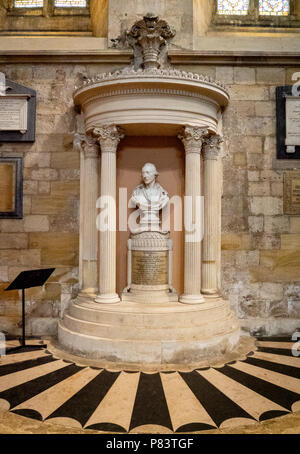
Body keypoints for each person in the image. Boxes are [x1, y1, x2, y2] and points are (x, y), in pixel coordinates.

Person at [129, 163, 169, 233]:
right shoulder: (137, 192)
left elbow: (165, 200)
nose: (145, 176)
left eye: (147, 173)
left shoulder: (162, 194)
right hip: (143, 222)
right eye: (143, 173)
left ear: (155, 175)